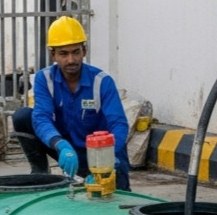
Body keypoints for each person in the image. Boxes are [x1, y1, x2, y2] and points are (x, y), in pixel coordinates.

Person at [12, 16, 132, 190]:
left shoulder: (102, 82)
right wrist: (60, 144)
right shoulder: (45, 79)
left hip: (100, 153)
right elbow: (41, 117)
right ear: (53, 54)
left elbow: (119, 124)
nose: (71, 60)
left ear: (84, 51)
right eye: (63, 53)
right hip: (66, 150)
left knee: (118, 202)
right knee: (23, 117)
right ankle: (40, 174)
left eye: (76, 52)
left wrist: (106, 158)